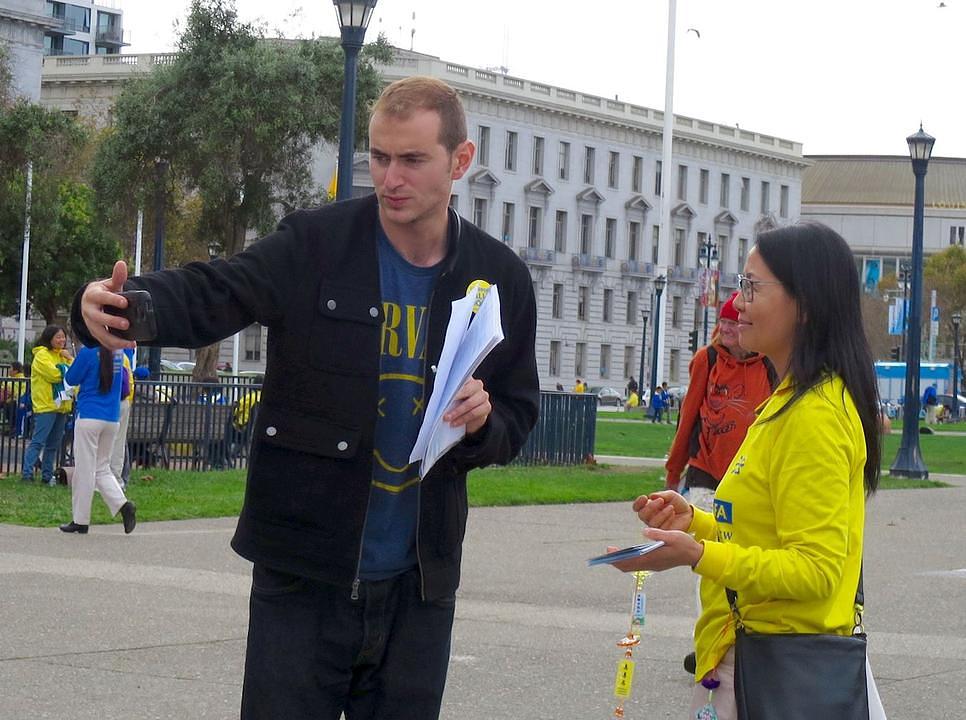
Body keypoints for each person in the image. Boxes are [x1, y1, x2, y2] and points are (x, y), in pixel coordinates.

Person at [72, 76, 539, 720]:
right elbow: (219, 290)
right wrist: (125, 309)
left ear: (461, 160)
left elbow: (520, 409)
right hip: (303, 572)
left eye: (411, 159)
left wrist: (486, 423)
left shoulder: (499, 277)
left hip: (419, 584)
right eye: (378, 157)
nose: (390, 178)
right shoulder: (316, 243)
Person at [612, 222, 881, 719]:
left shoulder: (815, 414)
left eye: (753, 287)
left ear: (804, 303)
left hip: (778, 669)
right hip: (746, 655)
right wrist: (694, 523)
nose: (737, 304)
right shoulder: (788, 397)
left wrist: (698, 556)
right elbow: (762, 531)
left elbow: (816, 570)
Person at [663, 291, 777, 673]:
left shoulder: (769, 366)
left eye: (734, 323)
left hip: (749, 480)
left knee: (742, 557)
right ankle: (706, 642)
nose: (727, 330)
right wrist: (673, 470)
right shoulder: (706, 360)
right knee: (708, 560)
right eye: (723, 323)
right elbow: (687, 418)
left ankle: (740, 632)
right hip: (706, 474)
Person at [60, 344, 137, 535]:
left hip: (89, 415)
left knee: (85, 471)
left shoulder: (87, 352)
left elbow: (71, 378)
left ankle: (81, 520)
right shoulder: (117, 352)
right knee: (102, 467)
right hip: (111, 418)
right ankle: (123, 504)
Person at [21, 325, 74, 485]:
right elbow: (54, 375)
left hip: (62, 405)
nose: (62, 340)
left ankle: (47, 475)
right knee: (38, 441)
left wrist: (69, 360)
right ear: (49, 338)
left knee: (53, 444)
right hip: (46, 406)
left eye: (63, 337)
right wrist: (66, 369)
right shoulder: (41, 355)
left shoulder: (63, 356)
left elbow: (75, 373)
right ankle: (27, 474)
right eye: (58, 337)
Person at [109, 350, 135, 488]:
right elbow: (129, 381)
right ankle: (117, 479)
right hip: (122, 401)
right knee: (119, 442)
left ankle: (101, 478)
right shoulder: (122, 356)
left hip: (103, 403)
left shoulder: (93, 353)